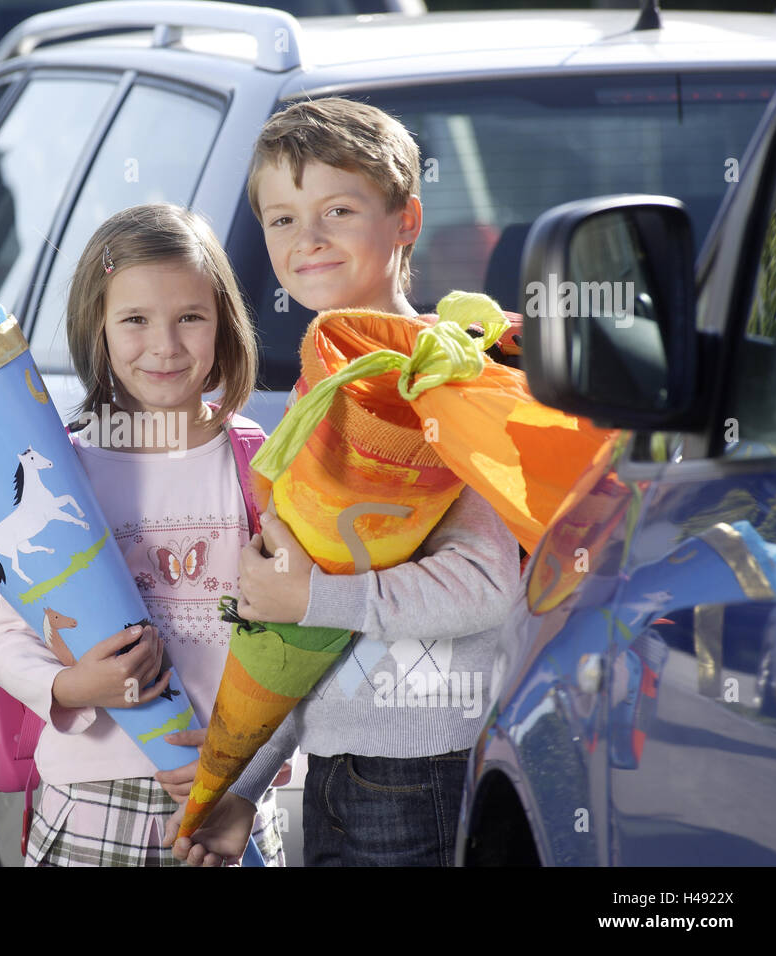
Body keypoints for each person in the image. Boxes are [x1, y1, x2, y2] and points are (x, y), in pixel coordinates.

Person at [172, 98, 520, 867]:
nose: (309, 240)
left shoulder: (442, 383)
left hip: (424, 768)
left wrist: (312, 599)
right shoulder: (320, 396)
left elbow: (486, 586)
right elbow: (301, 637)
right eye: (283, 219)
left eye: (338, 209)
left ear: (406, 220)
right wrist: (246, 788)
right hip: (334, 775)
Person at [0, 203, 286, 866]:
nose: (165, 346)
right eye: (136, 321)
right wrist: (76, 686)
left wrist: (248, 769)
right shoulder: (69, 472)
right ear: (99, 327)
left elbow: (298, 642)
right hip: (92, 802)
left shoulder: (259, 465)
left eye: (191, 319)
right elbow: (5, 642)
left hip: (225, 807)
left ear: (223, 324)